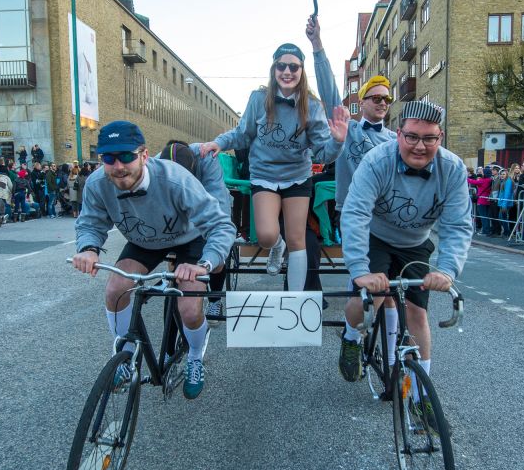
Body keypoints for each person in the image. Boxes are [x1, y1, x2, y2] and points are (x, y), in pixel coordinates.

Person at [73, 121, 237, 400]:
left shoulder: (175, 179)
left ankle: (195, 355)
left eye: (126, 156)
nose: (119, 166)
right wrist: (89, 248)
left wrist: (205, 264)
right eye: (109, 158)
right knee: (115, 289)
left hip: (189, 238)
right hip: (143, 240)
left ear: (144, 156)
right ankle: (124, 357)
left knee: (188, 307)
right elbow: (90, 222)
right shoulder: (97, 183)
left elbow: (221, 226)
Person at [338, 100, 473, 413]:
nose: (419, 146)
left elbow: (458, 224)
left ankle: (420, 397)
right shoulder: (376, 161)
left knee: (417, 312)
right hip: (376, 236)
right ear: (398, 134)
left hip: (416, 241)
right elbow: (356, 213)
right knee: (370, 297)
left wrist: (448, 270)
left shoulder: (451, 169)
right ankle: (350, 336)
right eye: (411, 136)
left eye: (429, 139)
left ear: (440, 138)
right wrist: (359, 270)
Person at [199, 42, 348, 290]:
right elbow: (243, 133)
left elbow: (323, 154)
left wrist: (338, 141)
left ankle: (296, 300)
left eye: (293, 66)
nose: (287, 71)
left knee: (297, 239)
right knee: (268, 236)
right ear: (274, 69)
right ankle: (277, 248)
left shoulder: (312, 106)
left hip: (298, 177)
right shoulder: (259, 99)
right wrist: (219, 142)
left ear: (301, 71)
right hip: (264, 176)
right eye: (281, 65)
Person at [307, 16, 396, 214]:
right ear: (362, 102)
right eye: (376, 98)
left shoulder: (395, 139)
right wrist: (316, 44)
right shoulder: (348, 129)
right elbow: (328, 90)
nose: (382, 103)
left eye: (386, 99)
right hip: (351, 211)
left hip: (385, 214)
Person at [158, 140, 232, 322]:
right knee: (176, 270)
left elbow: (219, 208)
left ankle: (214, 298)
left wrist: (216, 245)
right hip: (180, 213)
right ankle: (168, 349)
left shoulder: (205, 159)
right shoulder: (156, 165)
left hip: (211, 206)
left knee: (217, 255)